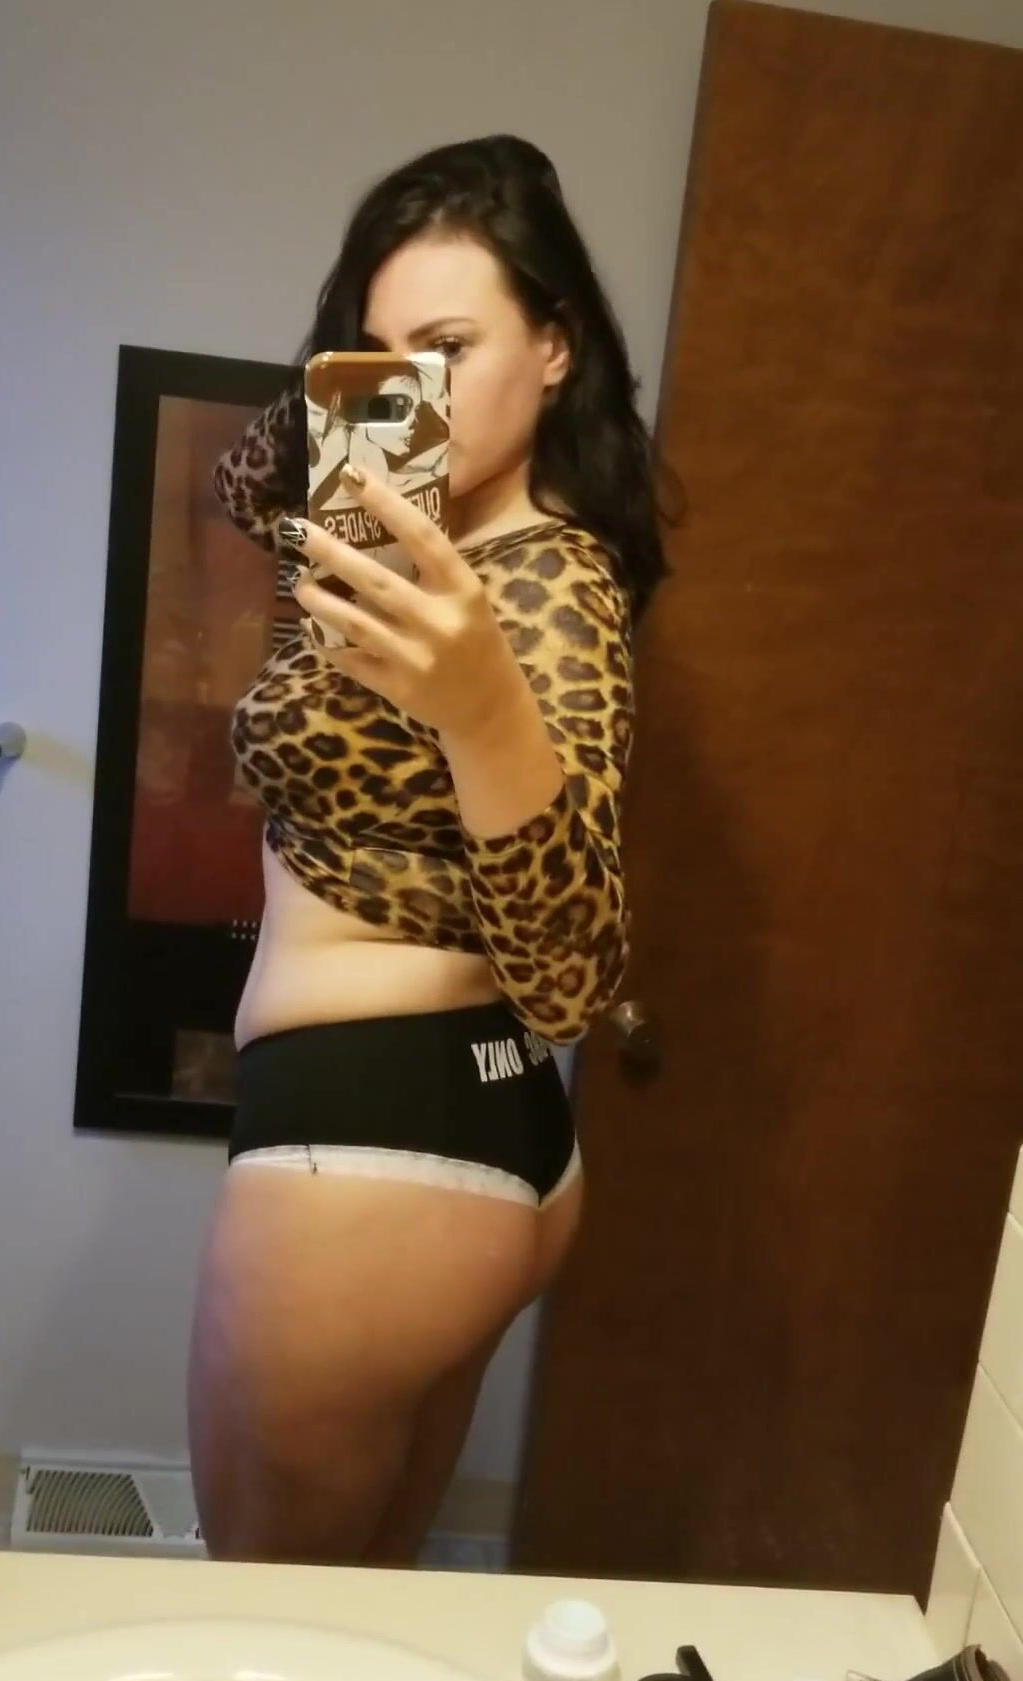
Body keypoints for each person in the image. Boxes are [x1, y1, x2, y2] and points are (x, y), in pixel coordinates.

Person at [187, 132, 668, 1566]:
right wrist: (352, 393)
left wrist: (481, 706)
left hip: (378, 1152)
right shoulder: (405, 538)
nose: (422, 397)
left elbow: (570, 977)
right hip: (448, 1138)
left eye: (453, 348)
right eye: (385, 357)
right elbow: (239, 490)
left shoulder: (549, 584)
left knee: (269, 1627)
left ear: (557, 347)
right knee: (365, 1609)